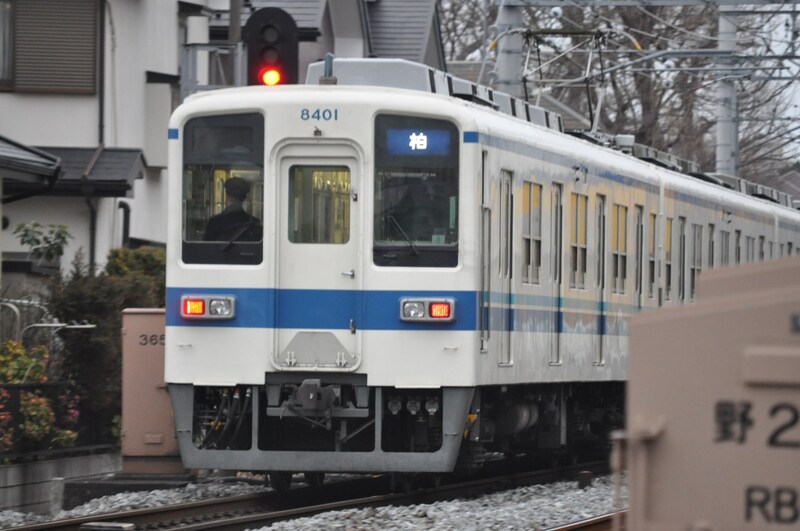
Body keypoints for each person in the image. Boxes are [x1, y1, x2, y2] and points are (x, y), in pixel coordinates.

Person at [204, 177, 262, 242]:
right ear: (245, 198)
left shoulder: (214, 223)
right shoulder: (255, 223)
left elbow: (206, 249)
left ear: (227, 196)